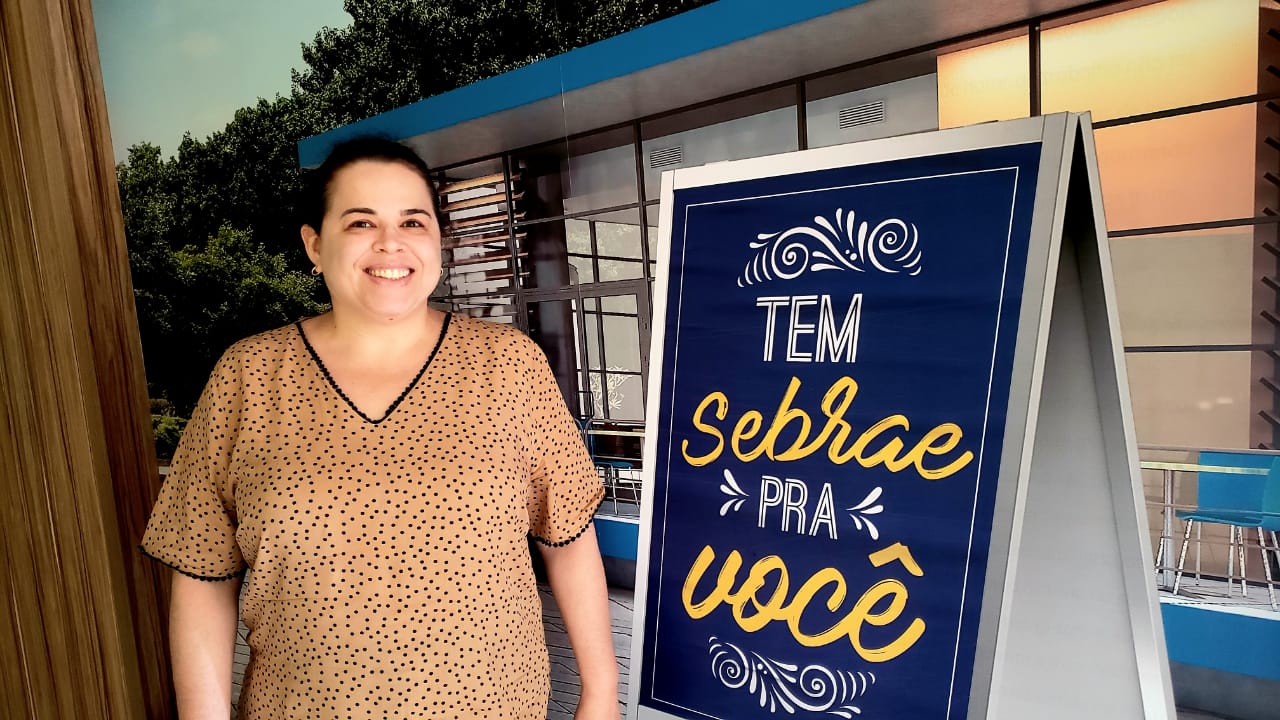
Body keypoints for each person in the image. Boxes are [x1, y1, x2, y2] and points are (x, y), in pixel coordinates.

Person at [141, 137, 619, 719]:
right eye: (361, 222)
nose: (391, 242)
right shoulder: (249, 376)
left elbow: (568, 536)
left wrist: (601, 693)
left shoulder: (508, 365)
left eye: (413, 221)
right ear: (315, 245)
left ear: (438, 241)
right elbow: (203, 572)